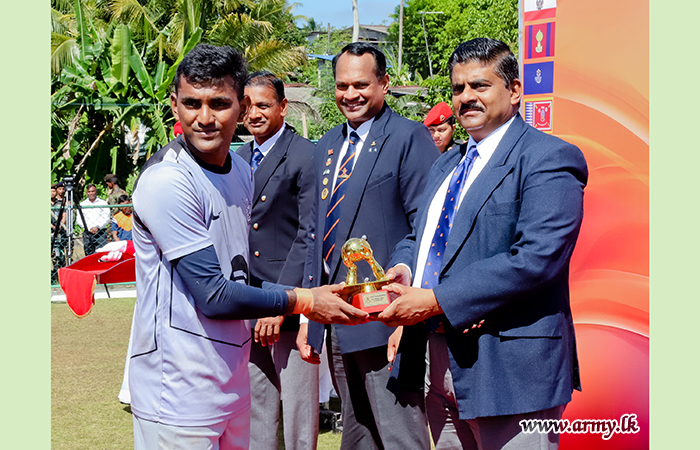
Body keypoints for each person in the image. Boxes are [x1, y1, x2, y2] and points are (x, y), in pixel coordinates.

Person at [127, 43, 368, 450]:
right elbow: (214, 295)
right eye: (192, 103)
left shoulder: (240, 170)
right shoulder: (168, 180)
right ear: (174, 105)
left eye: (219, 104)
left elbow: (242, 267)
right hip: (178, 391)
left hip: (232, 377)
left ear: (240, 106)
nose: (204, 118)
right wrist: (306, 300)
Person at [377, 38, 587, 450]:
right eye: (458, 88)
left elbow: (536, 259)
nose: (466, 97)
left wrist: (436, 299)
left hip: (510, 369)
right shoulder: (447, 162)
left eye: (480, 85)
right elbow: (420, 236)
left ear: (514, 90)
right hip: (437, 359)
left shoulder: (548, 157)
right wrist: (403, 268)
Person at [299, 42, 440, 450]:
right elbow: (316, 233)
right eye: (342, 85)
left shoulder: (409, 137)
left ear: (384, 83)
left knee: (400, 439)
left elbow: (425, 228)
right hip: (337, 319)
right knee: (357, 438)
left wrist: (405, 314)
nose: (350, 94)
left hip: (386, 320)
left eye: (361, 84)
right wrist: (309, 315)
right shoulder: (327, 145)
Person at [237, 71, 319, 450]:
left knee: (299, 415)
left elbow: (309, 234)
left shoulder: (305, 155)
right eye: (247, 105)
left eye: (263, 105)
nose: (254, 113)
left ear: (283, 107)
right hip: (247, 303)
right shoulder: (238, 158)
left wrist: (279, 301)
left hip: (290, 304)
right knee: (257, 412)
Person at [77, 184, 110, 255]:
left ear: (96, 192)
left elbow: (106, 218)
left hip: (100, 232)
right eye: (89, 192)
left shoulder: (103, 203)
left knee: (102, 253)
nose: (91, 193)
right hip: (87, 232)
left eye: (93, 191)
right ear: (86, 193)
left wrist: (97, 227)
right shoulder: (82, 204)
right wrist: (89, 228)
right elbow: (79, 220)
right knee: (88, 253)